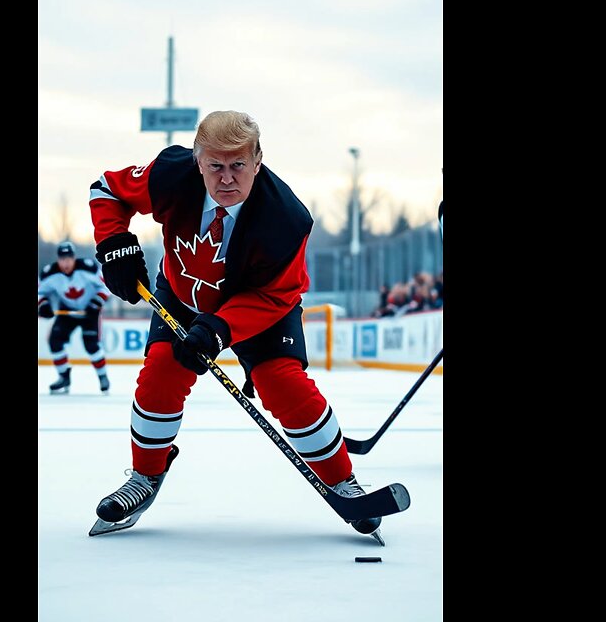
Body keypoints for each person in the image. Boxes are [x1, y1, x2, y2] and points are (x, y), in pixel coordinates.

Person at [87, 110, 381, 536]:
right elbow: (107, 190)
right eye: (215, 166)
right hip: (183, 295)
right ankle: (145, 476)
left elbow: (277, 293)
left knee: (284, 385)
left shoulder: (286, 219)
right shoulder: (171, 175)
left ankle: (343, 482)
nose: (227, 178)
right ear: (197, 160)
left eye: (238, 165)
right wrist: (113, 244)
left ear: (257, 161)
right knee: (160, 377)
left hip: (261, 305)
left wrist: (219, 329)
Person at [38, 241, 112, 394]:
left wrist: (95, 303)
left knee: (91, 345)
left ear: (74, 258)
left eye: (69, 258)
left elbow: (105, 287)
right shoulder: (48, 273)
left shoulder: (88, 268)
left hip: (90, 310)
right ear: (58, 259)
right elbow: (40, 293)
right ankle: (64, 376)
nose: (66, 262)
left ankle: (102, 376)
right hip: (66, 311)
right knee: (55, 341)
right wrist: (43, 305)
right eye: (62, 258)